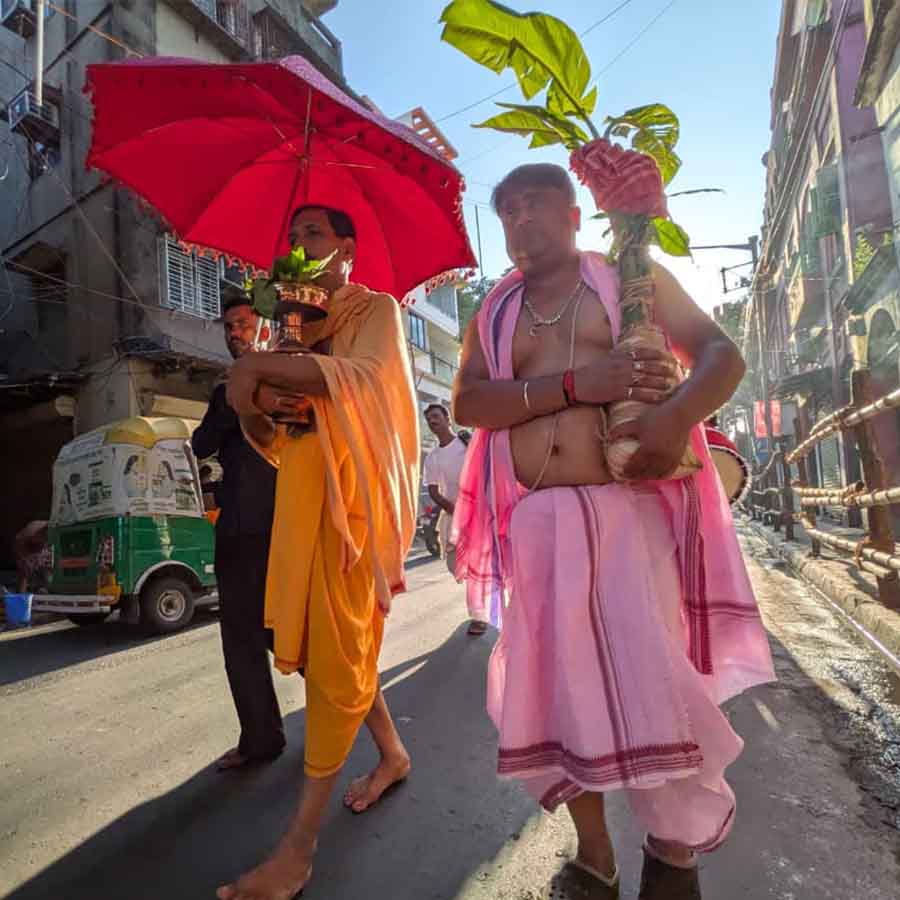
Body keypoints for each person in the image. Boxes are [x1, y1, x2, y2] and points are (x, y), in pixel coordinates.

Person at [452, 164, 775, 900]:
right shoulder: (495, 310)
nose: (519, 223)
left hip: (627, 518)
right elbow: (470, 403)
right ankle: (594, 859)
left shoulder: (627, 278)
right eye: (505, 212)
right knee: (560, 701)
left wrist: (673, 417)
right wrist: (570, 388)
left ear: (574, 215)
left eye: (534, 207)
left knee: (657, 689)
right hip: (537, 526)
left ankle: (673, 851)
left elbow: (722, 354)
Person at [217, 205, 419, 900]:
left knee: (338, 658)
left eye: (314, 235)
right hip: (299, 507)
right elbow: (268, 434)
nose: (299, 245)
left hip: (353, 508)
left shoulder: (376, 310)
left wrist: (280, 369)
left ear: (346, 250)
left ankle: (298, 850)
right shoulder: (289, 328)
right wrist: (257, 397)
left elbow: (374, 383)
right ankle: (392, 754)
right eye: (293, 235)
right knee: (339, 651)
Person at [192, 290, 285, 772]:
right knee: (242, 637)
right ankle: (260, 737)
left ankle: (353, 707)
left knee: (298, 631)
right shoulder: (222, 390)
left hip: (286, 523)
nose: (235, 334)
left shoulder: (286, 378)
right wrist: (231, 401)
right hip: (236, 528)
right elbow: (200, 442)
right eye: (229, 327)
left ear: (265, 327)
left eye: (244, 325)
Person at [422, 403, 484, 635]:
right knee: (454, 564)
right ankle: (479, 594)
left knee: (481, 563)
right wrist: (456, 511)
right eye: (428, 419)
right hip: (453, 516)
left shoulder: (467, 444)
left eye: (436, 416)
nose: (432, 421)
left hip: (480, 513)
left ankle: (478, 616)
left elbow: (484, 471)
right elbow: (434, 491)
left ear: (448, 418)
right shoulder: (433, 458)